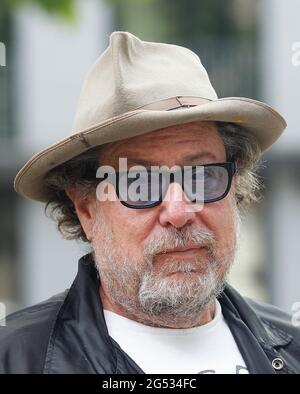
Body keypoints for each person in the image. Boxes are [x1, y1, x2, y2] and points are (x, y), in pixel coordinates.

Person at [0, 31, 299, 374]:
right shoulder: (16, 361)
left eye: (202, 176)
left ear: (234, 186)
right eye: (138, 183)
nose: (179, 211)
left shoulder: (293, 347)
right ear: (86, 209)